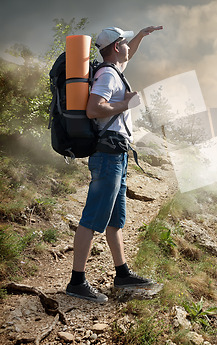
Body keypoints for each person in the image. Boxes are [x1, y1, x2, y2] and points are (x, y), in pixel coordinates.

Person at [65, 25, 163, 302]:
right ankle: (76, 281)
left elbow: (128, 55)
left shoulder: (115, 70)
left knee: (114, 220)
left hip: (117, 153)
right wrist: (126, 105)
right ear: (116, 46)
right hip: (107, 155)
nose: (129, 47)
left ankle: (122, 274)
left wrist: (142, 35)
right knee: (93, 218)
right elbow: (94, 108)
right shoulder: (108, 75)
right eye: (125, 42)